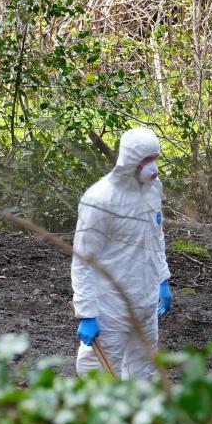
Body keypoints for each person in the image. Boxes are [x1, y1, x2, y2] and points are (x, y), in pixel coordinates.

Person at [72, 127, 173, 380]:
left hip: (146, 300)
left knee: (145, 373)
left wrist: (162, 278)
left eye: (155, 159)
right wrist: (87, 313)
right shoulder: (100, 199)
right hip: (110, 305)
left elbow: (155, 235)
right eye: (146, 160)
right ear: (130, 161)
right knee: (98, 376)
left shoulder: (152, 188)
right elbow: (83, 259)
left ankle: (139, 417)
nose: (153, 167)